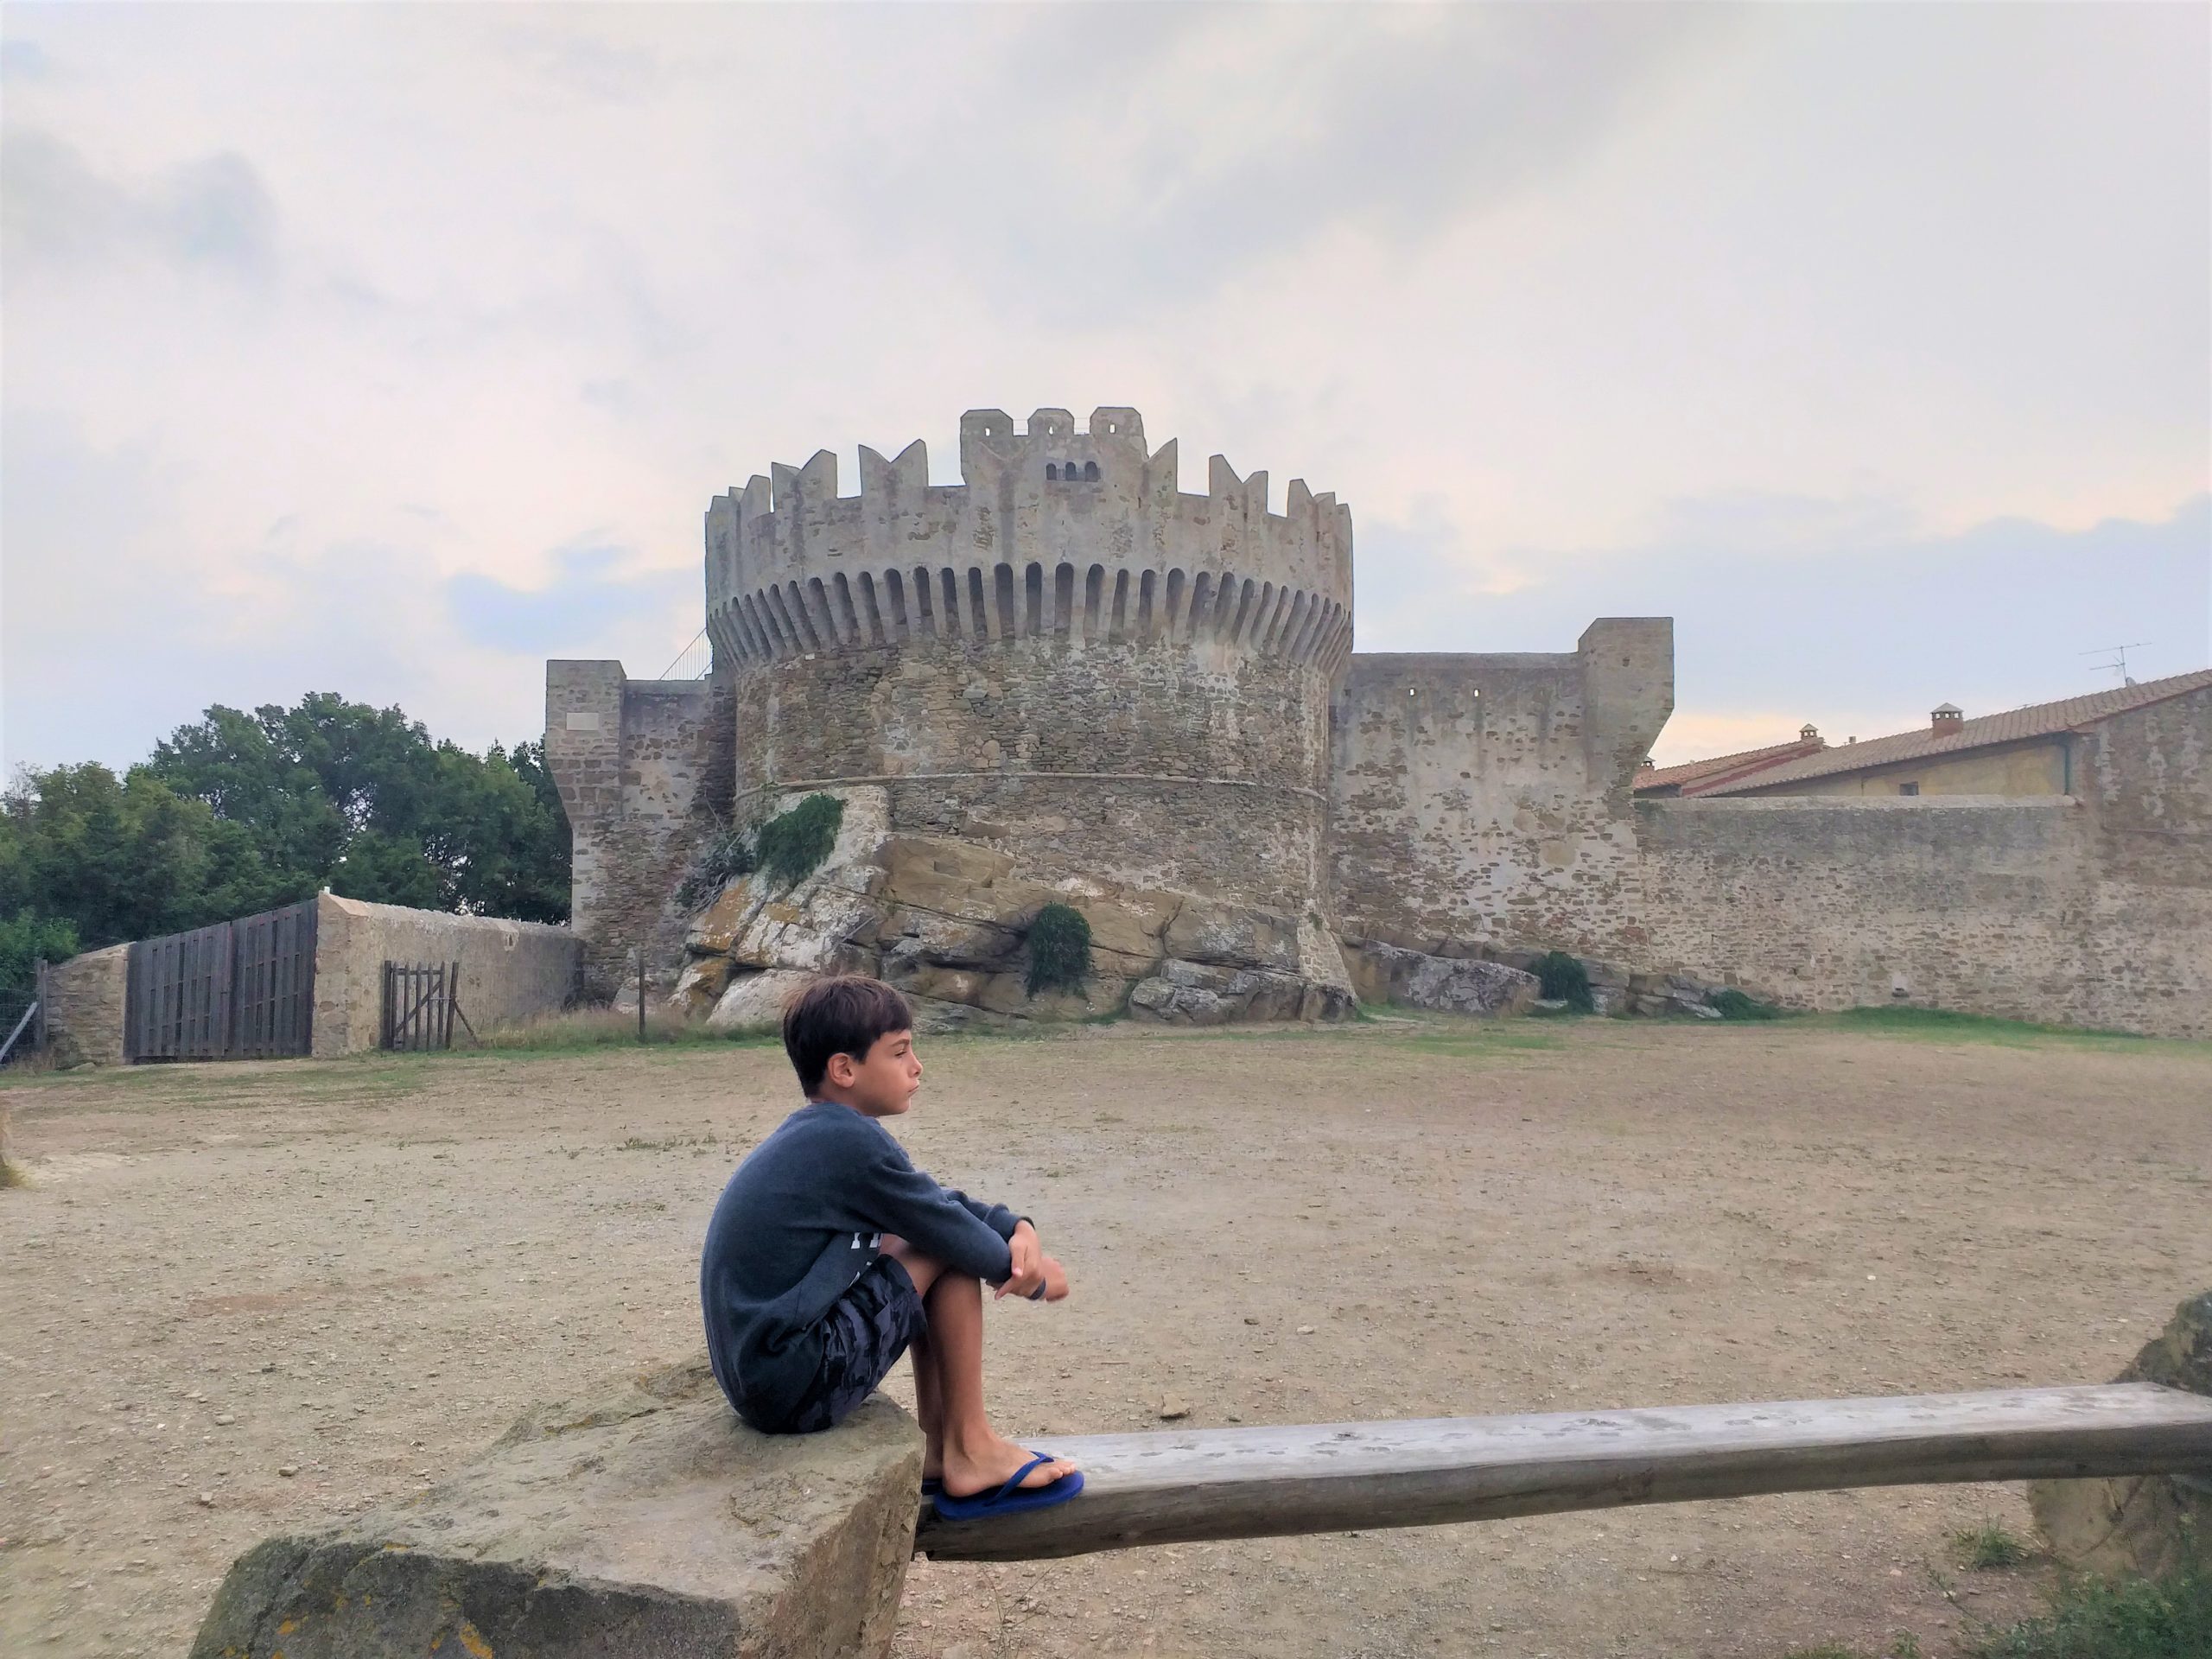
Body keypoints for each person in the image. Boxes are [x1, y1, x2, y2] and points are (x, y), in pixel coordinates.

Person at [699, 974, 1083, 1518]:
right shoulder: (847, 1141)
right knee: (937, 1243)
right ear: (844, 1069)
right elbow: (942, 1225)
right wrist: (1033, 1277)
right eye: (900, 1051)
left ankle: (941, 1446)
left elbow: (931, 1202)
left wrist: (1016, 1225)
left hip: (769, 1384)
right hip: (796, 1388)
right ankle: (971, 1447)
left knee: (921, 1233)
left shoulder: (822, 1134)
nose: (917, 1065)